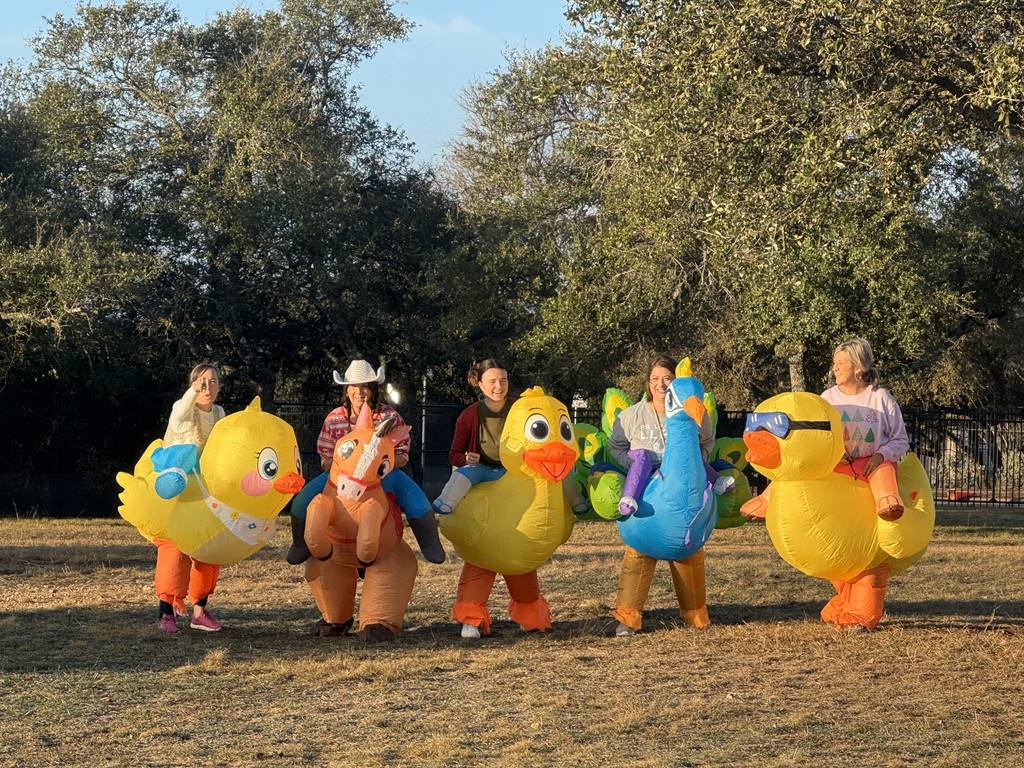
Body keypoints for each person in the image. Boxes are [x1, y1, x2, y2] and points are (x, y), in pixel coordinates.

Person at [286, 359, 443, 566]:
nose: (360, 392)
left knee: (416, 500)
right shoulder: (334, 419)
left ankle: (430, 543)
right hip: (340, 476)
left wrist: (375, 466)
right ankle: (300, 543)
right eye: (354, 386)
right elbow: (325, 459)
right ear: (347, 389)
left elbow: (403, 457)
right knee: (301, 500)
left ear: (373, 390)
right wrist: (350, 466)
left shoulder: (389, 417)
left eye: (366, 386)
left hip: (382, 476)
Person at [607, 354, 718, 636]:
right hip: (646, 496)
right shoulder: (632, 415)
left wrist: (692, 464)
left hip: (684, 494)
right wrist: (635, 466)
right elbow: (616, 446)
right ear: (647, 382)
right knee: (640, 554)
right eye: (655, 379)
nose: (660, 384)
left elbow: (706, 441)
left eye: (666, 378)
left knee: (689, 551)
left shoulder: (695, 412)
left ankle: (694, 611)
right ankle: (627, 617)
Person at [741, 337, 909, 522]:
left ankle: (888, 502)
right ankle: (766, 500)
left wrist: (880, 455)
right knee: (800, 467)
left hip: (872, 464)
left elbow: (900, 440)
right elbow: (817, 436)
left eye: (840, 363)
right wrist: (833, 454)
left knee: (883, 470)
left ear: (858, 368)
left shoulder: (880, 397)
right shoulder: (828, 398)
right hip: (836, 464)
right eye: (834, 363)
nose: (834, 368)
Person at [154, 363, 227, 634]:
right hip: (178, 490)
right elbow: (181, 410)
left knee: (210, 546)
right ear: (193, 384)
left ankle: (199, 611)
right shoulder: (182, 410)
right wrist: (192, 391)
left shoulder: (219, 414)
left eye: (213, 381)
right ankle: (166, 611)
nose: (207, 387)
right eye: (201, 381)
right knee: (174, 547)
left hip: (206, 491)